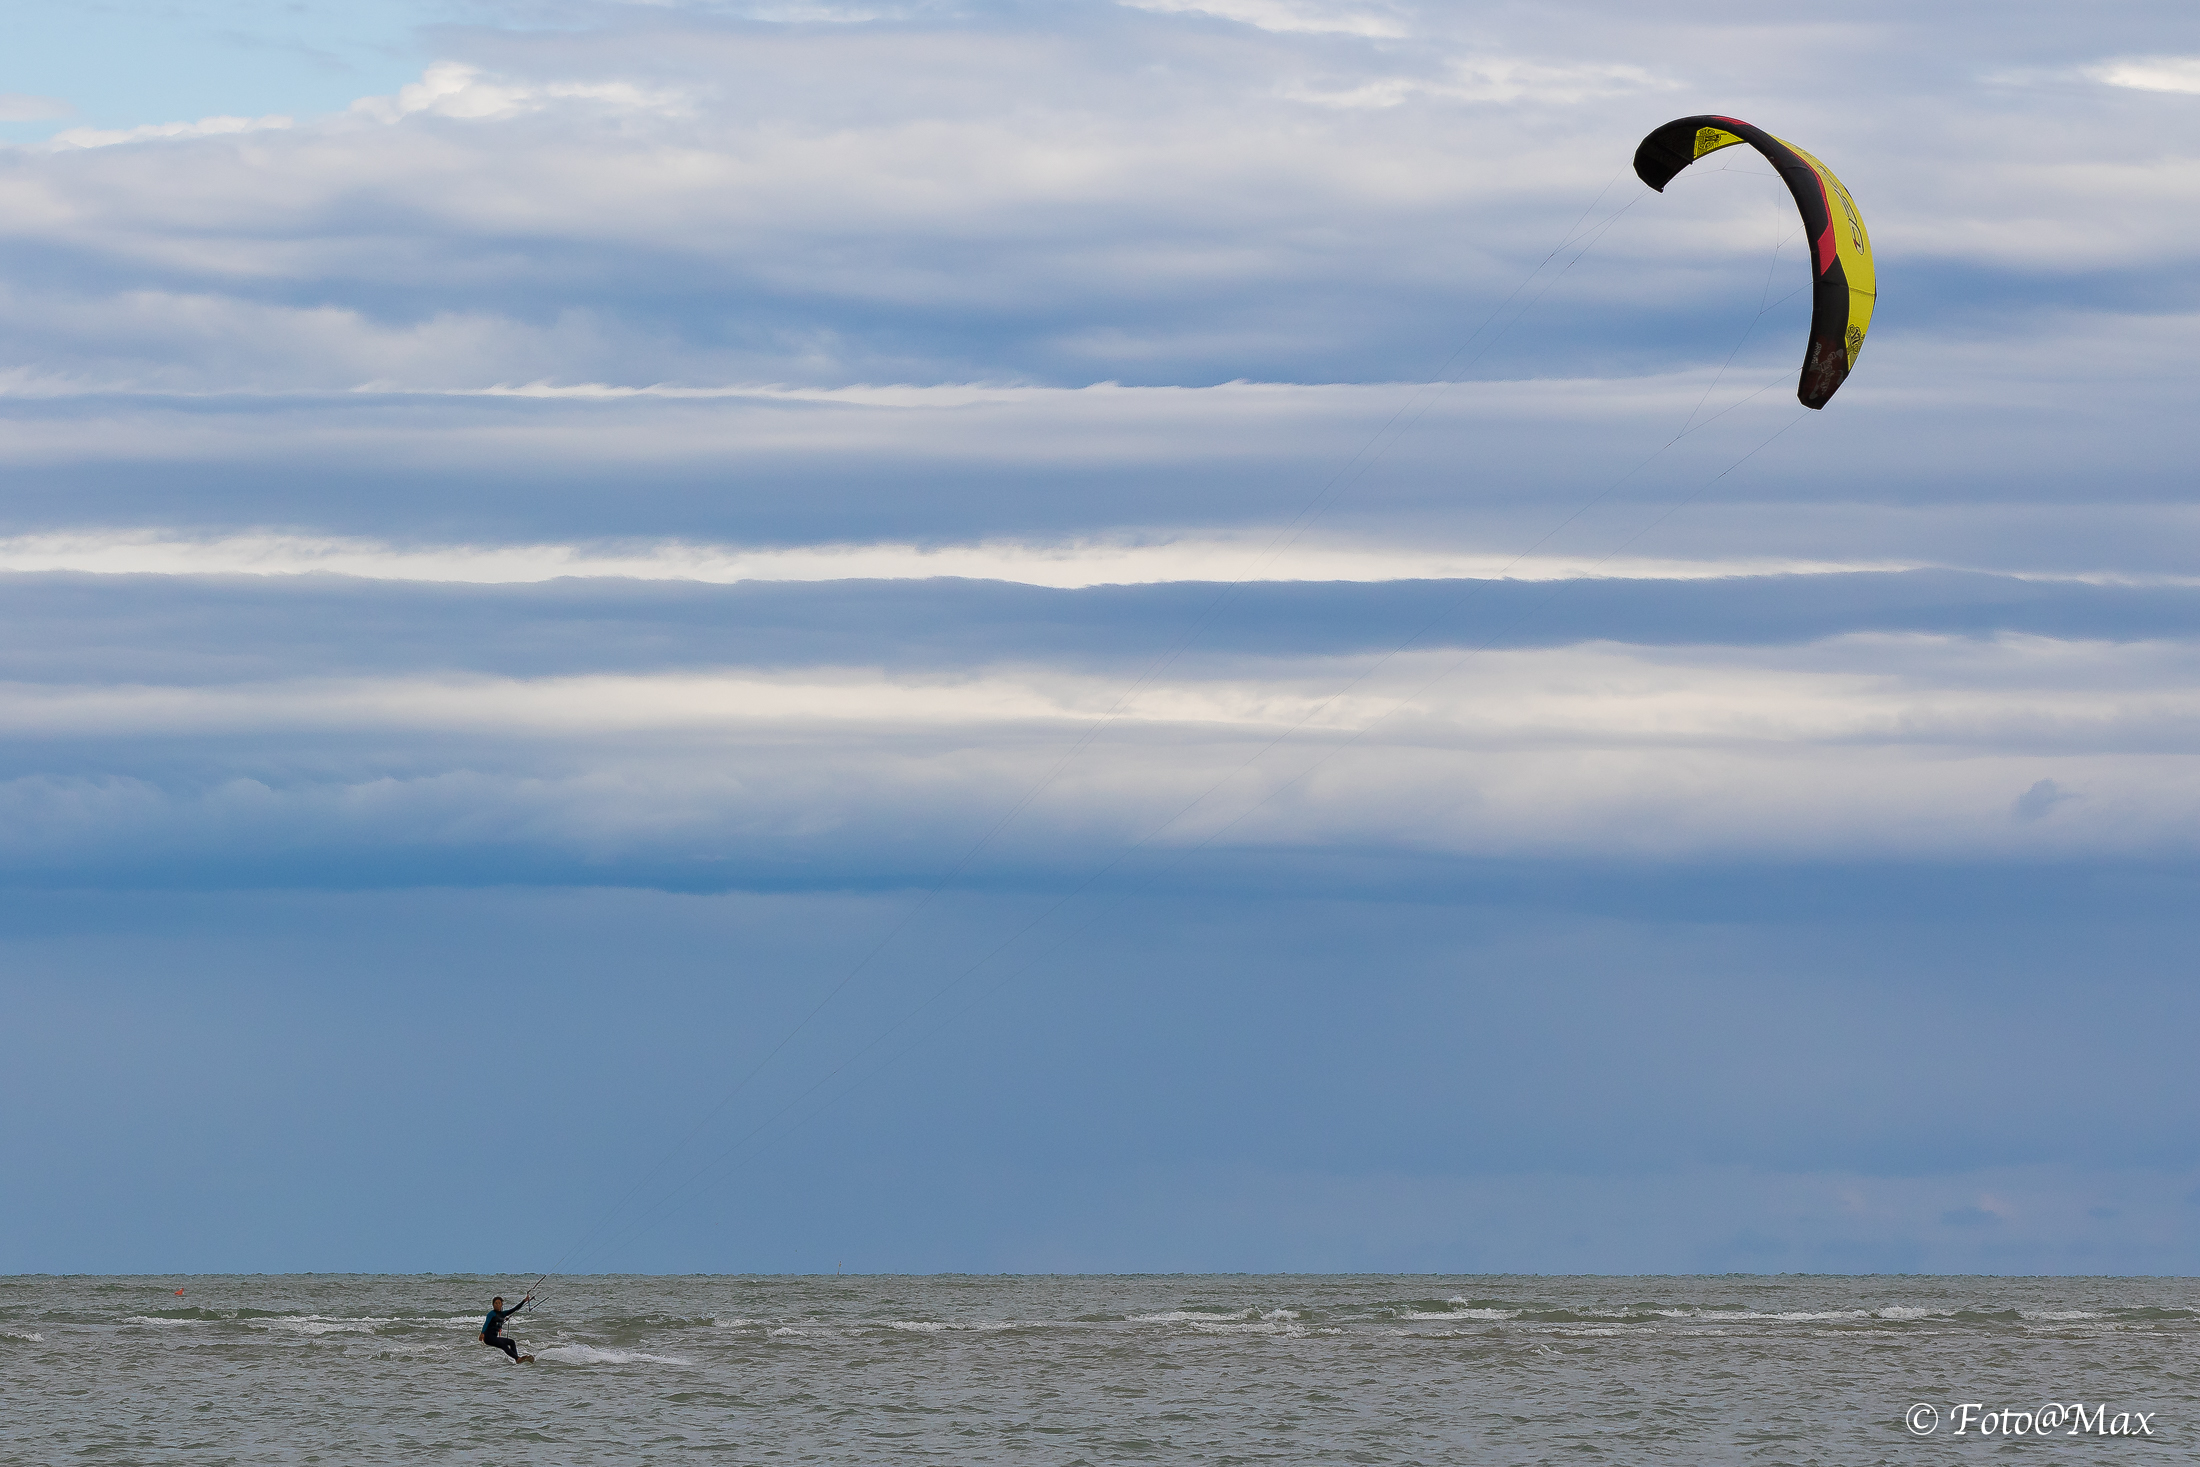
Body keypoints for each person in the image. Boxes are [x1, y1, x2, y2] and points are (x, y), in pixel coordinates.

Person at [480, 1294, 534, 1363]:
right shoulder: (491, 1314)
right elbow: (486, 1323)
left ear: (501, 1304)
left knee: (511, 1342)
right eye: (495, 1303)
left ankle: (517, 1359)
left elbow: (514, 1309)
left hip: (494, 1337)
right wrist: (482, 1333)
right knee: (503, 1345)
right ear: (493, 1305)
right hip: (488, 1338)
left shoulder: (503, 1314)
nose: (497, 1305)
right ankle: (517, 1358)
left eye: (499, 1303)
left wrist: (524, 1301)